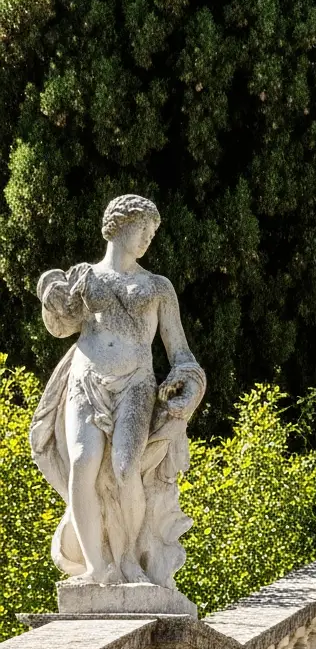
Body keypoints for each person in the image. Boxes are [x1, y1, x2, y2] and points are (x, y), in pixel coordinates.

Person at [30, 193, 205, 587]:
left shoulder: (159, 287)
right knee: (82, 462)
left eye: (152, 232)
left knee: (126, 469)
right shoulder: (84, 277)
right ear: (120, 225)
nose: (148, 239)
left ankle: (127, 561)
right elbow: (60, 326)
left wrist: (188, 386)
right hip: (86, 379)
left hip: (136, 384)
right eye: (144, 229)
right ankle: (96, 567)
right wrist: (53, 297)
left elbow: (181, 354)